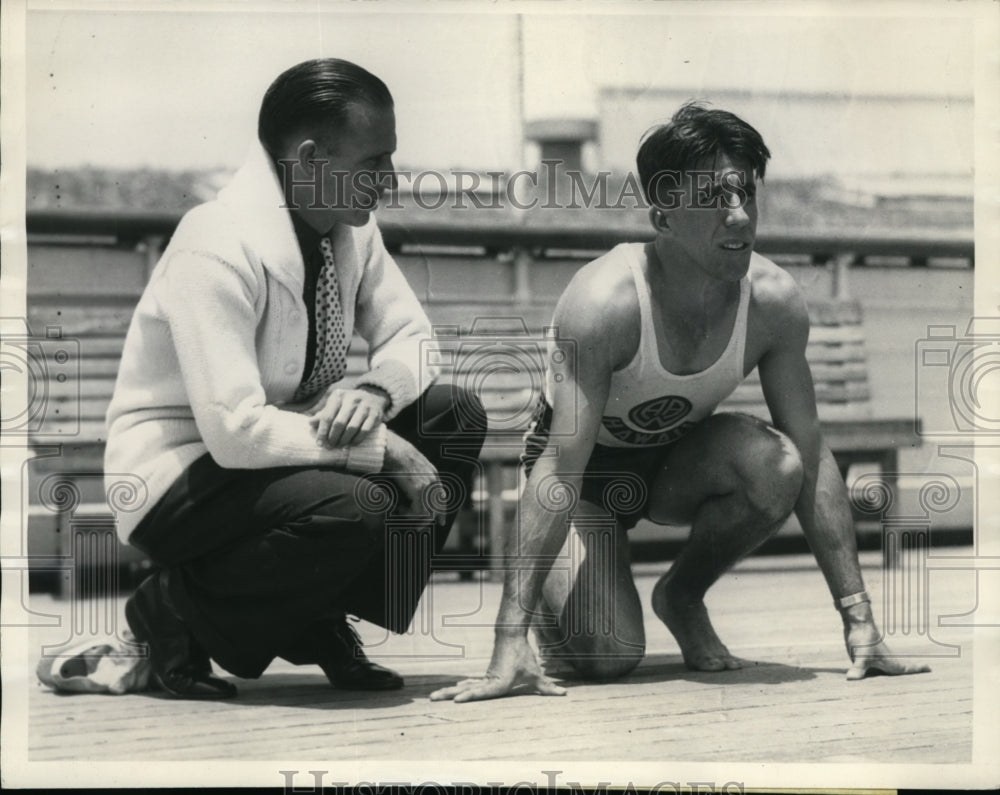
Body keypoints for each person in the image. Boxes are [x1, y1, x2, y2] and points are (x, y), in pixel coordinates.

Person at [430, 102, 929, 703]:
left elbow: (814, 453)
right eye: (714, 197)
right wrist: (505, 640)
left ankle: (682, 595)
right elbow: (560, 468)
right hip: (584, 479)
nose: (739, 214)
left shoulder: (772, 301)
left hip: (671, 467)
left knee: (781, 464)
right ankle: (546, 616)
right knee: (610, 656)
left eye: (746, 191)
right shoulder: (604, 302)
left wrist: (860, 619)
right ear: (662, 214)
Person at [105, 58, 486, 699]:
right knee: (357, 507)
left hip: (277, 463)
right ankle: (170, 612)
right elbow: (233, 433)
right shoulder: (216, 242)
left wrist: (374, 390)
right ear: (310, 158)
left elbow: (414, 339)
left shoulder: (348, 231)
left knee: (452, 414)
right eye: (374, 162)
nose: (388, 182)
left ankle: (318, 617)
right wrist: (384, 448)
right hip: (177, 476)